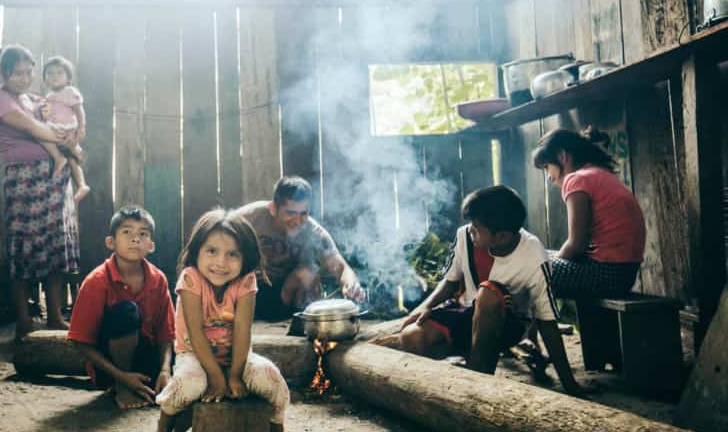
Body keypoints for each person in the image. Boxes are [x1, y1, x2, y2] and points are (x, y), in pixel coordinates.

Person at [373, 186, 583, 395]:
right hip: (465, 314)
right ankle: (469, 362)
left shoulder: (534, 255)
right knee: (412, 337)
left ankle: (476, 375)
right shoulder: (464, 236)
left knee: (488, 294)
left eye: (476, 228)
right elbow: (450, 282)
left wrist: (570, 384)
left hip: (506, 326)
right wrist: (424, 307)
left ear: (501, 237)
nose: (469, 230)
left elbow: (547, 322)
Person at [145, 209, 303, 432]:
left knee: (272, 379)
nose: (220, 262)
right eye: (212, 251)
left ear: (245, 258)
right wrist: (217, 377)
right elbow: (195, 334)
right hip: (194, 354)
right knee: (188, 382)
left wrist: (235, 374)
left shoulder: (246, 282)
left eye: (232, 254)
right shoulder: (191, 279)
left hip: (236, 356)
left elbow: (242, 331)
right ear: (197, 251)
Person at [0, 45, 80, 340]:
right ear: (3, 73)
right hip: (24, 178)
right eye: (17, 73)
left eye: (28, 72)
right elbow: (37, 129)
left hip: (54, 176)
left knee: (54, 243)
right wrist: (69, 143)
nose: (24, 79)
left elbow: (64, 121)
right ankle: (24, 320)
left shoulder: (37, 99)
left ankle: (54, 316)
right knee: (23, 244)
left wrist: (70, 143)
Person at [67, 206, 175, 409]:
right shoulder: (97, 281)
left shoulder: (158, 279)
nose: (136, 239)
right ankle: (122, 387)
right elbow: (80, 341)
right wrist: (122, 377)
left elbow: (166, 333)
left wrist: (165, 370)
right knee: (126, 311)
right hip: (109, 368)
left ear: (151, 245)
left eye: (143, 234)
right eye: (127, 232)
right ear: (111, 242)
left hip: (146, 359)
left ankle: (150, 381)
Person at [234, 176, 364, 329]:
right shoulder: (250, 216)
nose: (298, 221)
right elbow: (215, 232)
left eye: (304, 213)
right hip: (246, 293)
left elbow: (340, 266)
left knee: (308, 272)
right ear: (273, 208)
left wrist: (351, 285)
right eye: (290, 213)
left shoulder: (313, 232)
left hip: (282, 297)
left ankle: (303, 325)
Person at [532, 127, 645, 298]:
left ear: (562, 156)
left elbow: (576, 245)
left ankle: (537, 322)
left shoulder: (576, 179)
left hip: (605, 274)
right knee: (540, 256)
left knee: (529, 265)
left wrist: (550, 264)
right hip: (625, 274)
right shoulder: (599, 174)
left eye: (547, 167)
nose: (548, 176)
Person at [37, 55, 90, 203]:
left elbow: (79, 110)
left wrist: (81, 127)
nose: (55, 76)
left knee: (42, 136)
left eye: (60, 73)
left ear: (68, 78)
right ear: (44, 79)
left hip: (66, 129)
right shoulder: (49, 96)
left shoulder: (70, 91)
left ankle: (62, 157)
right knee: (71, 158)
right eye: (50, 73)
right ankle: (82, 185)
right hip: (55, 128)